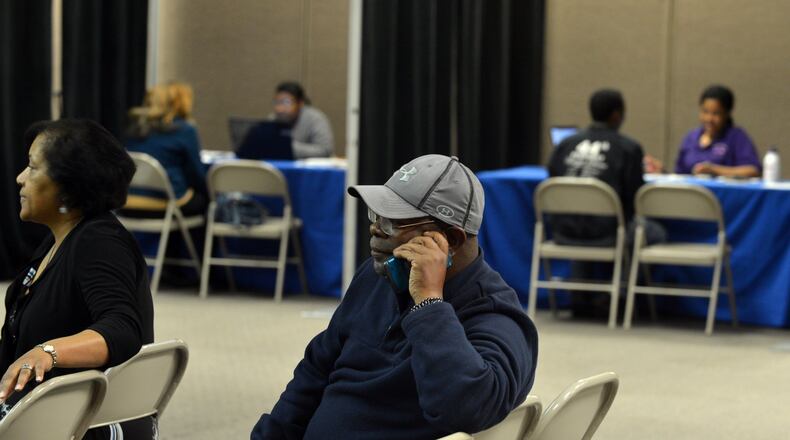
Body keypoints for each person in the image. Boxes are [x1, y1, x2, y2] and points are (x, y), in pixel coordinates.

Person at [251, 154, 538, 439]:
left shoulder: (496, 315)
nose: (375, 228)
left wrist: (428, 303)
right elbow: (315, 371)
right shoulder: (376, 276)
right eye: (376, 215)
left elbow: (467, 409)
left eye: (392, 222)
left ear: (451, 240)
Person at [1, 119, 156, 439]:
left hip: (85, 420)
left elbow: (123, 330)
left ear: (68, 187)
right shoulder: (57, 241)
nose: (20, 178)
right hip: (50, 409)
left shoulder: (99, 241)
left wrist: (49, 351)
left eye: (32, 168)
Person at [548, 89, 647, 245]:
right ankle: (625, 261)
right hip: (610, 234)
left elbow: (552, 182)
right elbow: (636, 198)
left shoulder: (565, 145)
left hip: (564, 231)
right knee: (656, 232)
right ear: (616, 115)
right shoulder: (629, 148)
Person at [123, 82, 207, 218]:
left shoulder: (136, 128)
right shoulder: (185, 130)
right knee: (206, 202)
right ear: (181, 103)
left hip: (128, 203)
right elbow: (196, 175)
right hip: (166, 206)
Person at [674, 85, 761, 177]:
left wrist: (715, 170)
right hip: (691, 186)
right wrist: (664, 172)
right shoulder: (691, 138)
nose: (709, 119)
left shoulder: (737, 137)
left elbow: (753, 170)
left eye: (716, 113)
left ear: (726, 113)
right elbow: (678, 174)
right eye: (705, 112)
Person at [272, 81, 334, 158]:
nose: (280, 109)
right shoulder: (273, 119)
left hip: (309, 165)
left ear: (300, 103)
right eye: (277, 102)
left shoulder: (315, 118)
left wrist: (288, 147)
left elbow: (325, 150)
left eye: (287, 102)